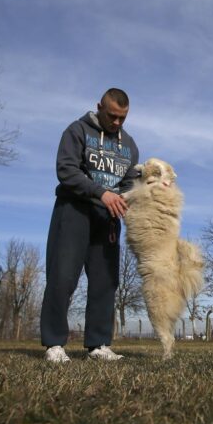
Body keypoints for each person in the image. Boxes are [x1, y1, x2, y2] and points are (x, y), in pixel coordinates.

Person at [40, 88, 139, 362]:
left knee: (106, 281)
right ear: (99, 107)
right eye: (112, 116)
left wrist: (135, 195)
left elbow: (130, 182)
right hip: (74, 210)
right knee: (62, 275)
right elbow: (67, 170)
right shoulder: (77, 131)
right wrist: (101, 192)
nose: (117, 122)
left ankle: (98, 344)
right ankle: (54, 344)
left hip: (108, 218)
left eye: (123, 118)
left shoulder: (129, 145)